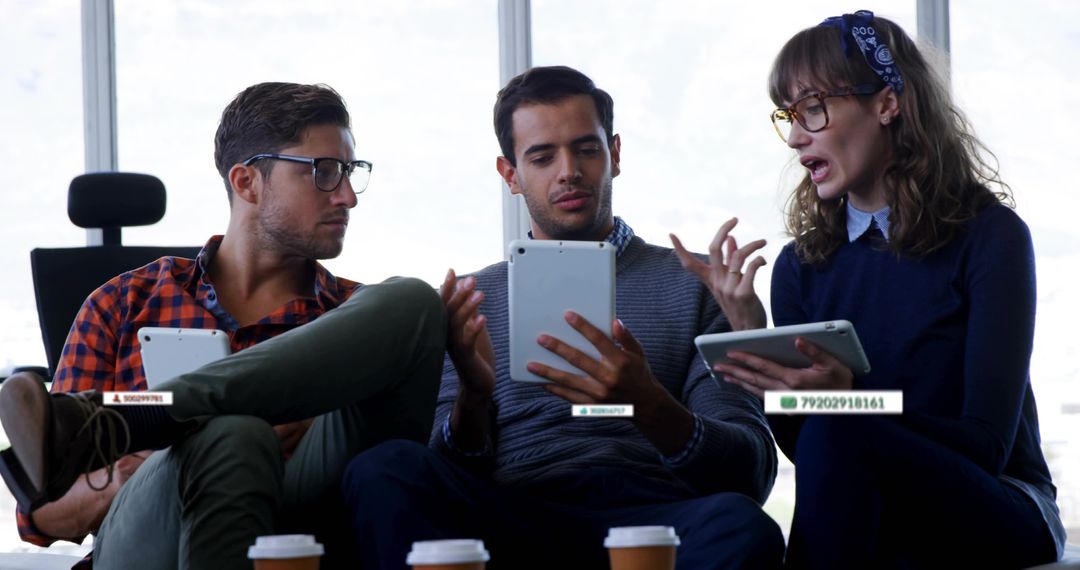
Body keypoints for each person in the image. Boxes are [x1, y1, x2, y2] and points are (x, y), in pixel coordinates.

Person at [341, 66, 784, 569]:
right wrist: (475, 395)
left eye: (586, 149)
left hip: (654, 518)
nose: (568, 171)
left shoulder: (698, 285)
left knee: (742, 526)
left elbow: (749, 472)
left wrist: (648, 404)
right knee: (383, 469)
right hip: (512, 515)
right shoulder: (471, 298)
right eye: (542, 157)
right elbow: (442, 472)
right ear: (510, 175)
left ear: (614, 154)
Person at [675, 10, 1065, 568]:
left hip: (998, 499)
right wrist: (750, 333)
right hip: (881, 506)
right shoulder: (799, 266)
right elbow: (806, 448)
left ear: (886, 104)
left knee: (841, 442)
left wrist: (850, 398)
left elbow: (985, 444)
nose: (795, 137)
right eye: (789, 114)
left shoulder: (990, 236)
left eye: (813, 109)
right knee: (838, 461)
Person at [0, 82, 446, 569]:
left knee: (414, 299)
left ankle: (133, 415)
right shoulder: (122, 303)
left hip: (303, 524)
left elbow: (412, 475)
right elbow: (42, 517)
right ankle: (156, 422)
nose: (347, 197)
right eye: (323, 171)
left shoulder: (356, 318)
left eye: (349, 172)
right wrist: (143, 471)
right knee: (233, 436)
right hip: (152, 539)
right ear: (246, 182)